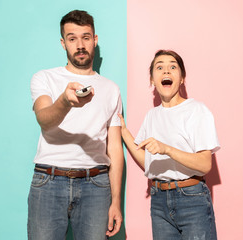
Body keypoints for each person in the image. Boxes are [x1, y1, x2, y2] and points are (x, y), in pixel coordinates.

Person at [28, 10, 124, 240]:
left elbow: (114, 148)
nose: (80, 45)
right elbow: (44, 119)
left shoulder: (111, 89)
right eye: (72, 38)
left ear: (95, 40)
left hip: (96, 185)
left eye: (86, 37)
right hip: (49, 180)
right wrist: (64, 101)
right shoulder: (44, 78)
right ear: (63, 43)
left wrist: (116, 202)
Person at [119, 50, 220, 240]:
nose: (166, 71)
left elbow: (205, 164)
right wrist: (123, 131)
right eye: (159, 67)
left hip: (192, 198)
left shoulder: (197, 110)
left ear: (182, 78)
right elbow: (148, 162)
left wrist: (167, 149)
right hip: (159, 200)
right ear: (152, 79)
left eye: (173, 67)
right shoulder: (152, 116)